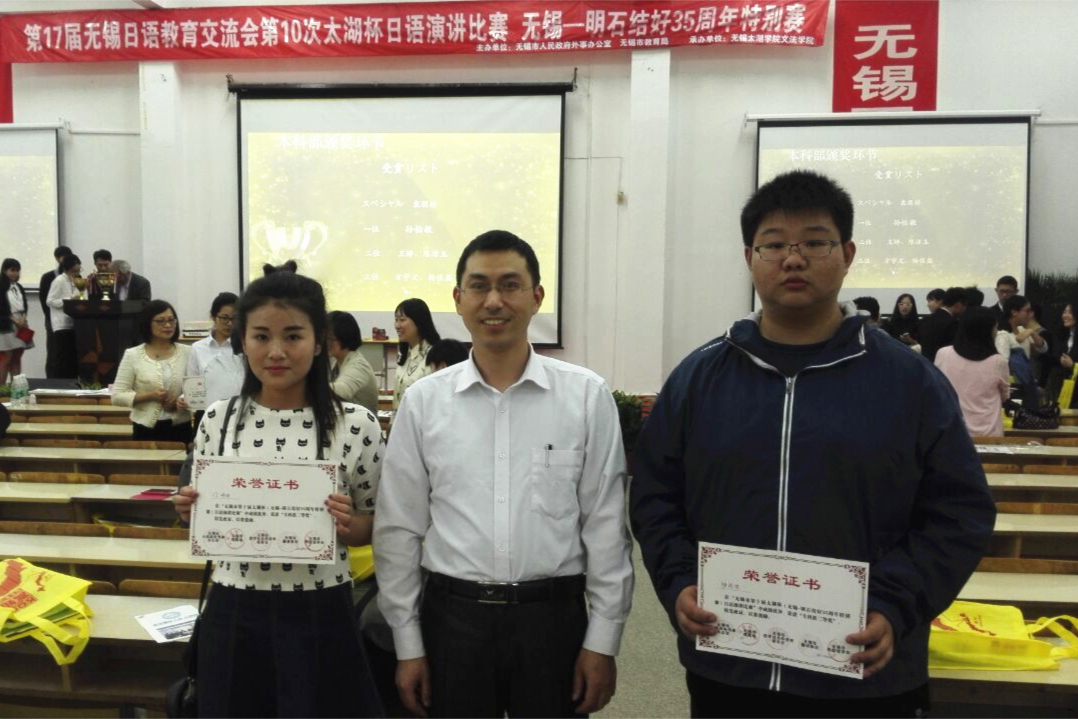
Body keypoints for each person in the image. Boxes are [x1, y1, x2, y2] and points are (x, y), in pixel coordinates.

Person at [629, 171, 995, 717]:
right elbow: (655, 496)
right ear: (749, 257)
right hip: (731, 667)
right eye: (774, 244)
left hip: (866, 673)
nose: (793, 259)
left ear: (847, 254)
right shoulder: (699, 378)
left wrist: (895, 605)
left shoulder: (910, 381)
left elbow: (959, 513)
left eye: (815, 242)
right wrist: (679, 580)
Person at [374, 230, 633, 718]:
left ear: (537, 296)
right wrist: (407, 643)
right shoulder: (424, 403)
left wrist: (603, 640)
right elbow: (399, 528)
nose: (494, 301)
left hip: (552, 622)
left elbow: (605, 526)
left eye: (510, 285)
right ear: (458, 299)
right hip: (453, 622)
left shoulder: (584, 396)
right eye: (479, 286)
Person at [172, 271, 383, 717]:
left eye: (293, 336)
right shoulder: (217, 420)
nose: (276, 352)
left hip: (322, 607)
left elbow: (374, 525)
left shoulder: (356, 425)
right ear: (243, 341)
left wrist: (351, 525)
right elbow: (200, 519)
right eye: (261, 336)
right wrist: (191, 511)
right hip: (234, 606)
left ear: (319, 341)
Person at [111, 300, 193, 444]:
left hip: (180, 426)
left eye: (171, 320)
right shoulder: (133, 355)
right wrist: (151, 395)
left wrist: (180, 400)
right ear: (147, 323)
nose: (168, 325)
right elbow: (117, 396)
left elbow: (196, 387)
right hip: (145, 428)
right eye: (160, 321)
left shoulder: (188, 352)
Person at [934, 308, 1010, 437]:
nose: (996, 332)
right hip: (989, 434)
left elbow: (936, 390)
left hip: (951, 431)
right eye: (995, 328)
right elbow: (1004, 396)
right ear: (987, 331)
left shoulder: (943, 354)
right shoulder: (998, 361)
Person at [178, 292, 242, 430]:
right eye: (224, 318)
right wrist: (184, 398)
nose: (230, 323)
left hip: (238, 414)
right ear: (213, 316)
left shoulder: (245, 347)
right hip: (206, 414)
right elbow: (193, 383)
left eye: (235, 318)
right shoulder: (198, 348)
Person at [995, 293, 1047, 410]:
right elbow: (1002, 364)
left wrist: (1032, 332)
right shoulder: (1003, 335)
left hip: (1027, 382)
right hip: (1014, 386)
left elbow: (1043, 348)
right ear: (1014, 312)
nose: (1030, 315)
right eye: (1027, 311)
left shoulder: (1022, 329)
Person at [392, 298, 441, 411]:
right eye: (396, 320)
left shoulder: (434, 356)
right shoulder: (405, 355)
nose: (397, 325)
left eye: (402, 320)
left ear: (419, 322)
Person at [327, 310, 379, 414]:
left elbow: (343, 391)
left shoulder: (359, 365)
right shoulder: (335, 361)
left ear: (344, 337)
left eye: (329, 338)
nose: (325, 342)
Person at [45, 253, 82, 379]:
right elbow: (50, 301)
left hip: (73, 323)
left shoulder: (75, 280)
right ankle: (61, 382)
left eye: (78, 270)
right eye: (74, 271)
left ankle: (72, 381)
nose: (76, 273)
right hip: (61, 324)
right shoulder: (59, 280)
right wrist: (69, 300)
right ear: (67, 268)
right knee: (62, 358)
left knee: (72, 358)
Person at [39, 245, 72, 378]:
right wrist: (50, 318)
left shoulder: (75, 276)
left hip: (70, 320)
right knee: (53, 351)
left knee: (66, 352)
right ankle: (51, 380)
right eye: (64, 258)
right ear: (57, 258)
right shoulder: (48, 277)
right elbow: (44, 300)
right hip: (53, 320)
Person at [0, 259, 33, 383]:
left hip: (22, 324)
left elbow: (25, 305)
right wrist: (14, 320)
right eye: (12, 270)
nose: (15, 273)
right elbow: (2, 308)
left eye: (17, 271)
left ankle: (16, 386)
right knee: (6, 357)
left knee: (17, 356)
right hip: (7, 325)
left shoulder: (18, 287)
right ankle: (2, 388)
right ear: (5, 271)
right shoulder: (1, 286)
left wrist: (23, 318)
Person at [917, 286, 968, 363]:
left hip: (927, 363)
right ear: (958, 304)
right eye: (964, 305)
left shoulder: (925, 320)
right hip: (945, 364)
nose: (965, 308)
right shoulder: (953, 323)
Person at [1045, 300, 1078, 408]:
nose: (1065, 316)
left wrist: (1072, 365)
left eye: (1070, 312)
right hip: (1064, 389)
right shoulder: (1062, 336)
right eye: (1064, 312)